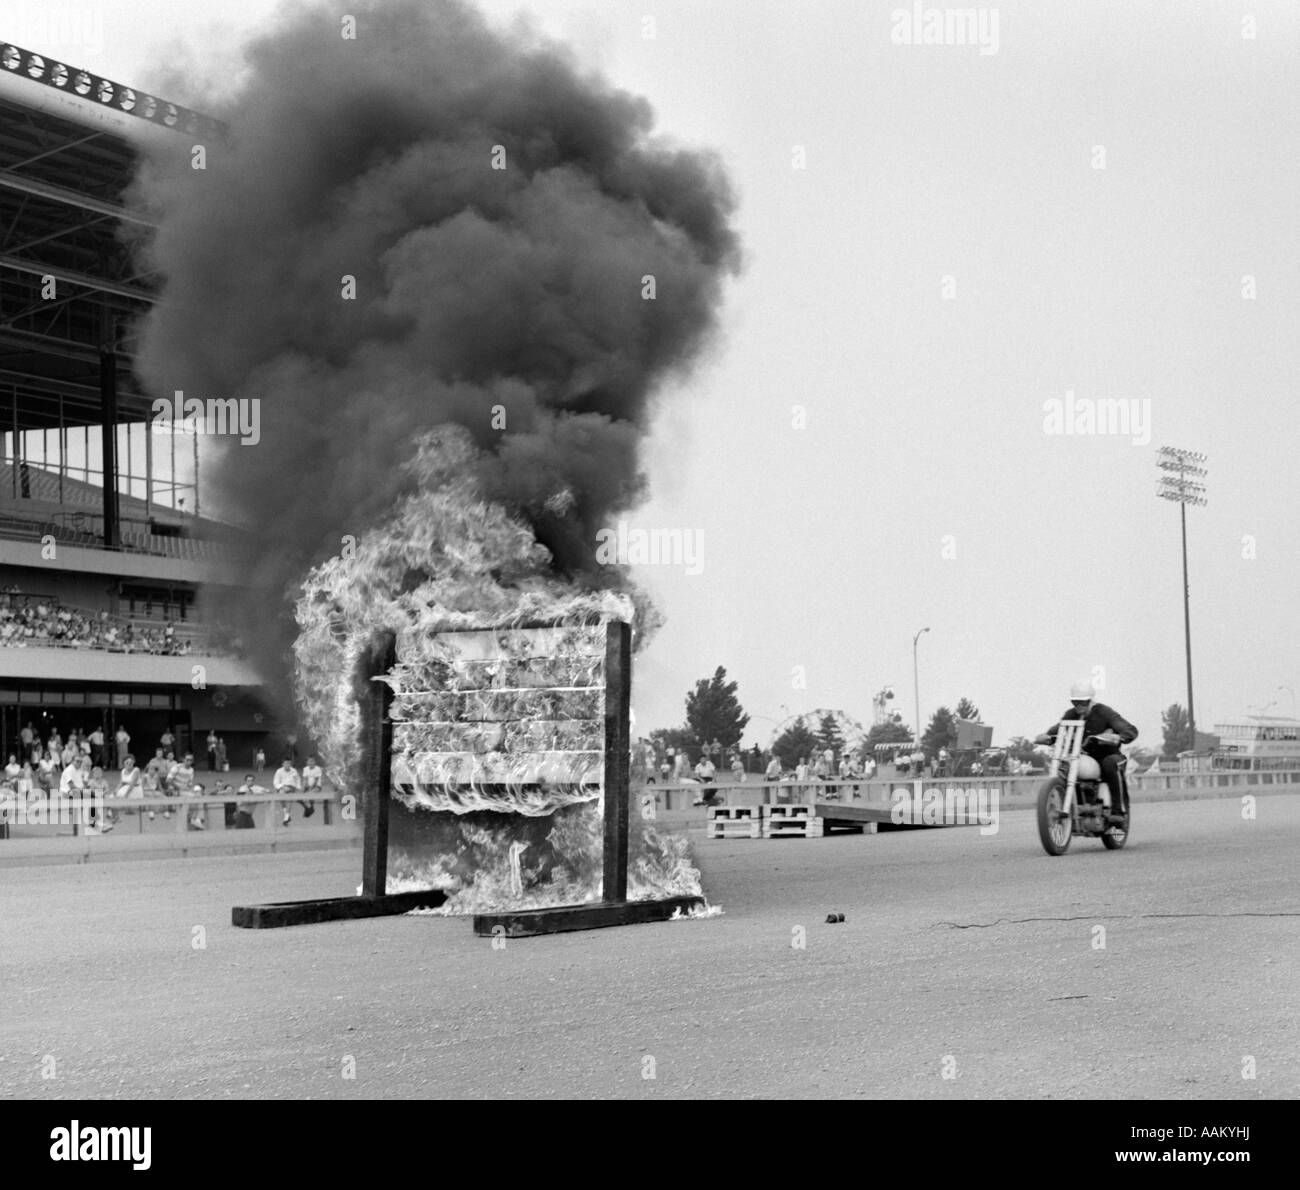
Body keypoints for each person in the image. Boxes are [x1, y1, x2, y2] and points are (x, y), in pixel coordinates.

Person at [1035, 679, 1138, 823]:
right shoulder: (1070, 715)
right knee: (1066, 767)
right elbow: (1057, 731)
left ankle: (1118, 810)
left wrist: (1118, 737)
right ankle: (1069, 804)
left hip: (1108, 755)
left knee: (1110, 763)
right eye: (1075, 702)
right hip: (1083, 757)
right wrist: (1045, 737)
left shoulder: (1104, 712)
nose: (1078, 706)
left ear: (1090, 700)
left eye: (1082, 702)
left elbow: (1130, 730)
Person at [273, 758, 302, 826]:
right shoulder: (279, 771)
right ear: (283, 764)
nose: (287, 765)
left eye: (289, 763)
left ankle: (286, 817)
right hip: (282, 787)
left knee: (286, 795)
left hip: (291, 786)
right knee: (281, 794)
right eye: (286, 763)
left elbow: (298, 779)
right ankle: (287, 816)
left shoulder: (294, 771)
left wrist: (298, 787)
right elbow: (276, 781)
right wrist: (281, 787)